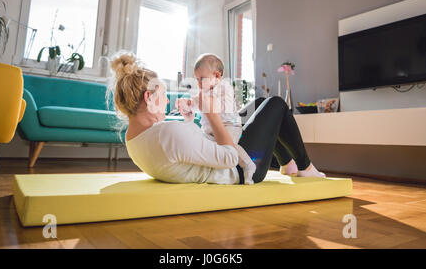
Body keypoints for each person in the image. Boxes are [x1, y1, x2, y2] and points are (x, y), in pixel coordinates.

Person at [109, 53, 325, 187]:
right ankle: (305, 167)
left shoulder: (134, 141)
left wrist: (191, 118)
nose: (166, 101)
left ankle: (287, 164)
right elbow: (229, 158)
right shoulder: (168, 134)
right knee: (276, 104)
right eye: (163, 94)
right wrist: (211, 115)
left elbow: (189, 149)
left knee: (261, 104)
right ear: (148, 97)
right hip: (242, 169)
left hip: (221, 149)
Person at [176, 53, 256, 184]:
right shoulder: (205, 91)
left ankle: (247, 164)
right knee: (210, 147)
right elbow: (197, 102)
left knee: (229, 145)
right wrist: (188, 104)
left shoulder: (224, 88)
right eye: (196, 79)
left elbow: (218, 107)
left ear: (217, 76)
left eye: (201, 78)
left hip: (230, 126)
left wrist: (202, 102)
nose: (198, 83)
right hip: (210, 130)